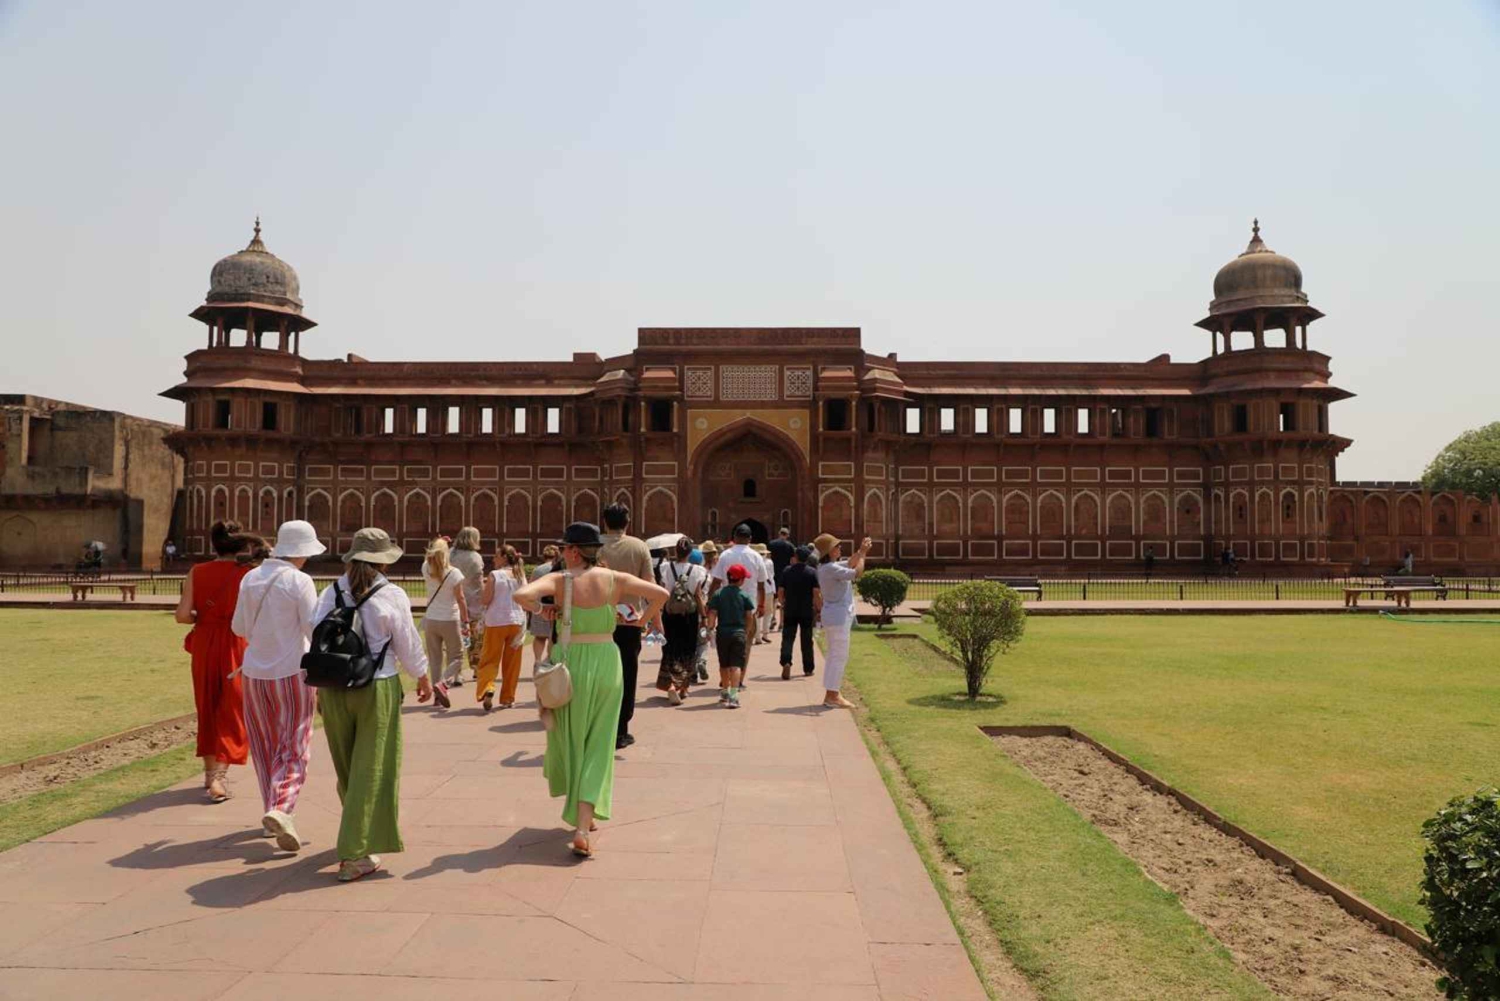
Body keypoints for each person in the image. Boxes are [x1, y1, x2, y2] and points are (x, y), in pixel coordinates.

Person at [513, 522, 668, 857]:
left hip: (570, 663)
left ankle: (581, 817)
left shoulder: (561, 580)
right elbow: (661, 594)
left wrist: (542, 609)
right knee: (600, 743)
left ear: (573, 551)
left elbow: (520, 595)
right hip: (607, 660)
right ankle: (584, 823)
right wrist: (641, 622)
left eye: (565, 548)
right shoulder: (614, 579)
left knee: (571, 739)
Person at [312, 528, 432, 882]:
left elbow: (314, 635)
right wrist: (422, 675)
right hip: (376, 686)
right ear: (384, 562)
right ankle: (354, 852)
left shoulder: (330, 592)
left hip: (334, 687)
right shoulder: (390, 594)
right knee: (373, 770)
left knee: (348, 768)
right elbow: (407, 641)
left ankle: (357, 833)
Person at [230, 520, 323, 852]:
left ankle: (271, 811)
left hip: (255, 673)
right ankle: (282, 808)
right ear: (302, 552)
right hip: (291, 672)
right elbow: (313, 629)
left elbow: (239, 626)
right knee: (294, 745)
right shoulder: (299, 580)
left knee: (265, 745)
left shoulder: (250, 578)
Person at [175, 520, 256, 803]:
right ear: (242, 544)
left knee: (207, 704)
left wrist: (203, 618)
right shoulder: (248, 573)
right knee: (233, 708)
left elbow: (182, 615)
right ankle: (219, 778)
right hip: (236, 642)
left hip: (205, 643)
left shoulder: (197, 571)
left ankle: (210, 774)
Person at [599, 503, 654, 750]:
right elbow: (650, 585)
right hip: (630, 621)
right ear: (628, 522)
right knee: (627, 675)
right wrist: (654, 619)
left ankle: (598, 728)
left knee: (598, 674)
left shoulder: (594, 546)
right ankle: (621, 730)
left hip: (597, 621)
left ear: (604, 522)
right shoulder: (639, 546)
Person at [813, 534, 872, 709]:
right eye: (837, 546)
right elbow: (856, 573)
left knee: (834, 656)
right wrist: (863, 555)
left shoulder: (828, 567)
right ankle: (832, 695)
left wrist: (860, 550)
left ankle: (832, 693)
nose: (840, 548)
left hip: (834, 616)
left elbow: (850, 563)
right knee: (839, 656)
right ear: (829, 551)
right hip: (838, 616)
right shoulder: (830, 568)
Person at [654, 536, 708, 705]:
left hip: (669, 615)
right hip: (689, 616)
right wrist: (704, 617)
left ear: (675, 552)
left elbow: (663, 592)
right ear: (690, 552)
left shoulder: (665, 568)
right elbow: (698, 595)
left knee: (670, 649)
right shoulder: (697, 570)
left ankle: (671, 685)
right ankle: (684, 688)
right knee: (688, 650)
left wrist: (656, 615)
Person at [478, 545, 527, 711]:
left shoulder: (495, 575)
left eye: (496, 556)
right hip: (516, 620)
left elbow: (485, 600)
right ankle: (508, 697)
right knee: (512, 663)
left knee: (490, 659)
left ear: (504, 557)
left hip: (496, 621)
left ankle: (488, 687)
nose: (493, 559)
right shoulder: (520, 574)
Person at [422, 537, 470, 709]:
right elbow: (460, 598)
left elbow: (430, 562)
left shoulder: (425, 568)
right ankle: (444, 683)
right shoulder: (454, 573)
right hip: (450, 618)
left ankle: (437, 695)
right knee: (457, 656)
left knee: (435, 659)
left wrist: (438, 540)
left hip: (431, 619)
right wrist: (466, 620)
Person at [710, 524, 770, 654]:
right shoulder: (756, 557)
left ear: (734, 537)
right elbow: (761, 586)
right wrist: (761, 605)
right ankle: (741, 666)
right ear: (750, 539)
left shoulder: (725, 555)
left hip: (726, 607)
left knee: (726, 646)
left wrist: (710, 603)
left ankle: (728, 665)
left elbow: (716, 582)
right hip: (748, 608)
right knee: (745, 647)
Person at [705, 563, 756, 708]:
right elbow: (749, 616)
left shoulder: (719, 594)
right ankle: (734, 696)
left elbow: (712, 613)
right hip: (738, 633)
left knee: (724, 665)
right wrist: (746, 630)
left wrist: (710, 628)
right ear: (741, 580)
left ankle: (724, 691)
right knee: (736, 666)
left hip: (722, 633)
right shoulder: (744, 595)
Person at [777, 545, 821, 680]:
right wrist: (818, 608)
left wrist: (782, 602)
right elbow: (816, 593)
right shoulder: (812, 572)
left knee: (788, 638)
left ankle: (786, 661)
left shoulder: (787, 571)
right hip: (806, 610)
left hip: (790, 609)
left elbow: (780, 590)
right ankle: (808, 668)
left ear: (795, 557)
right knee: (807, 640)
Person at [449, 527, 487, 684]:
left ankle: (457, 673)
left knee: (455, 640)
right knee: (475, 639)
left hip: (453, 600)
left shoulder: (450, 554)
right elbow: (479, 581)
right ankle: (477, 669)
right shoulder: (475, 557)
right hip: (473, 601)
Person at [529, 545, 563, 666]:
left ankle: (537, 660)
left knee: (539, 637)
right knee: (553, 637)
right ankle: (550, 660)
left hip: (540, 605)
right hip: (556, 605)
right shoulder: (560, 568)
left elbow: (531, 587)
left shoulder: (538, 570)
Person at [694, 541, 719, 683]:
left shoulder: (698, 570)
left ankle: (693, 670)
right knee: (704, 639)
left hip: (697, 607)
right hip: (711, 608)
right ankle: (702, 661)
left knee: (694, 639)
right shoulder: (718, 569)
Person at [766, 527, 795, 633]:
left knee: (773, 598)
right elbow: (793, 561)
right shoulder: (790, 546)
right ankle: (782, 623)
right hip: (786, 574)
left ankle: (772, 618)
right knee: (783, 599)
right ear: (787, 535)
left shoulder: (771, 544)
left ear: (779, 534)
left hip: (773, 574)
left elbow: (768, 558)